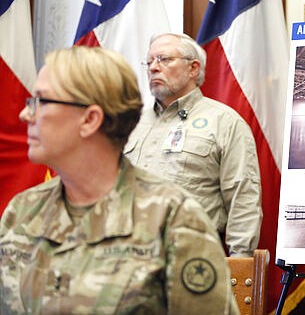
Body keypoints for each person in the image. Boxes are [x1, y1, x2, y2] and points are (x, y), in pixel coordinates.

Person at [0, 46, 239, 314]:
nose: (25, 114)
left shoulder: (173, 220)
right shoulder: (21, 211)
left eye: (41, 102)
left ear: (90, 119)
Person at [125, 33, 262, 257]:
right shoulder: (130, 121)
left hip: (191, 260)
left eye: (164, 59)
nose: (153, 68)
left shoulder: (225, 122)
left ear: (193, 68)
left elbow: (243, 198)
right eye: (149, 62)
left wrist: (240, 263)